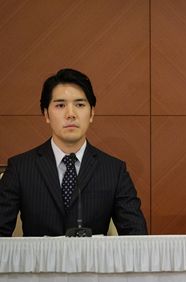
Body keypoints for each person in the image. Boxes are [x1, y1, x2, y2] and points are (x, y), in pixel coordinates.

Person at [0, 68, 148, 236]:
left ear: (92, 113)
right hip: (39, 263)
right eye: (60, 105)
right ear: (46, 114)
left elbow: (136, 236)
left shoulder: (114, 170)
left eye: (79, 105)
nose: (71, 114)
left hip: (93, 262)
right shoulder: (20, 168)